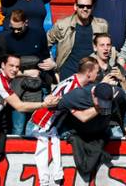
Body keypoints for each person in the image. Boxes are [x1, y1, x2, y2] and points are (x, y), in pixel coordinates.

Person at [27, 57, 99, 186]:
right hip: (40, 127)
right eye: (96, 71)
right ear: (88, 72)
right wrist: (102, 107)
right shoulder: (72, 88)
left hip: (49, 127)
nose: (97, 74)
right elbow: (82, 117)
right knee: (39, 172)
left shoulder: (76, 82)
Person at [47, 0, 109, 80]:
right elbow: (45, 43)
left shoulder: (102, 25)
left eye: (88, 6)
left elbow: (108, 47)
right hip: (68, 75)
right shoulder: (62, 25)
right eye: (81, 6)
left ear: (93, 8)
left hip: (93, 75)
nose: (85, 9)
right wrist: (52, 62)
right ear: (75, 6)